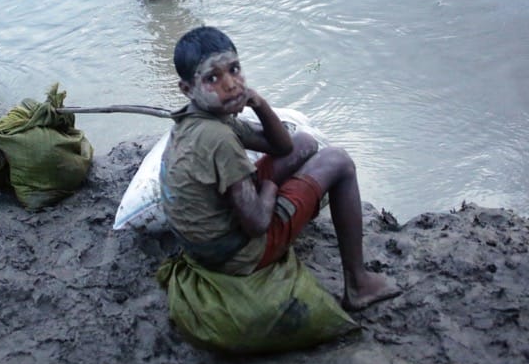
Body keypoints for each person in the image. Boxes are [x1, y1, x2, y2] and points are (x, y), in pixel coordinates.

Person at [160, 26, 401, 311]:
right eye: (213, 78)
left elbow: (284, 147)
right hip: (238, 254)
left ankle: (289, 198)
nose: (231, 84)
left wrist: (258, 103)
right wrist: (272, 184)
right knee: (339, 161)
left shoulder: (201, 118)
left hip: (210, 240)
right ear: (187, 89)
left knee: (305, 142)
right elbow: (258, 224)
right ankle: (358, 284)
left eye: (234, 70)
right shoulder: (219, 139)